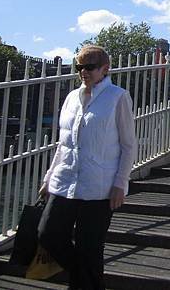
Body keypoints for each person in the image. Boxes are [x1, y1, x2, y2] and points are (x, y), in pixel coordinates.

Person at [38, 45, 137, 289]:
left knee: (90, 247)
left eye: (90, 67)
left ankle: (85, 281)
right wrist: (49, 177)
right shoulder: (72, 97)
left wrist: (120, 184)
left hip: (99, 186)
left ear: (105, 69)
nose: (84, 72)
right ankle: (87, 279)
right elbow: (64, 143)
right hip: (66, 179)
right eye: (79, 67)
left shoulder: (118, 97)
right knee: (48, 234)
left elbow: (128, 145)